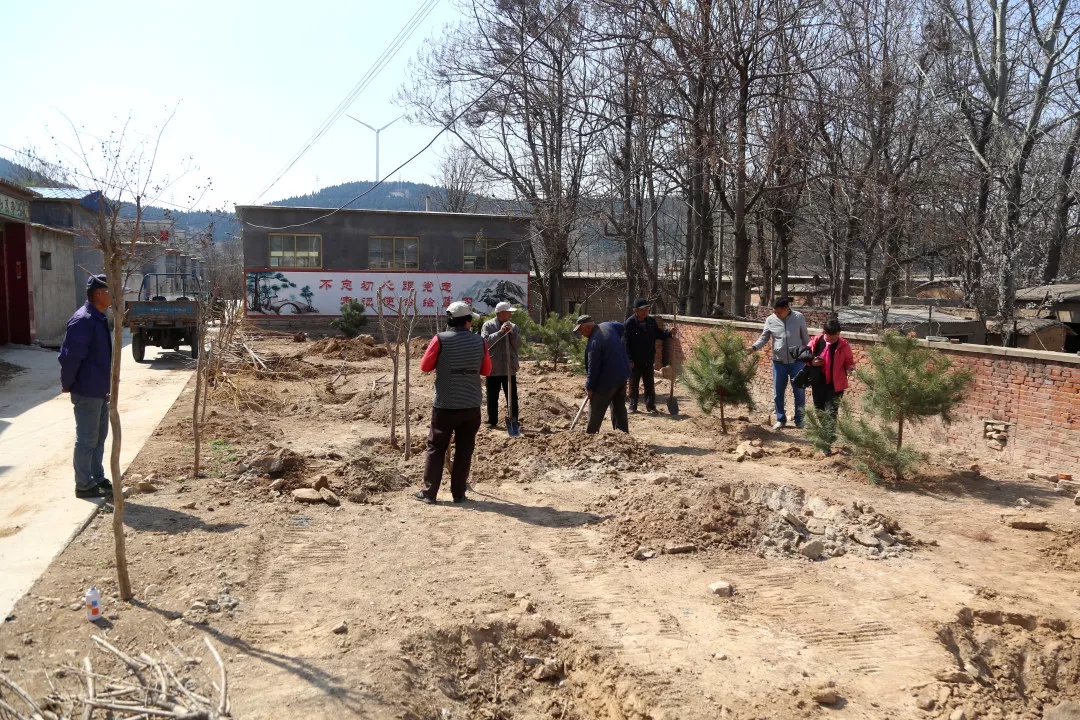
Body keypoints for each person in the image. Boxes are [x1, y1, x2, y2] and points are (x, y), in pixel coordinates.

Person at [415, 302, 492, 504]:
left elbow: (425, 367)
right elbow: (486, 370)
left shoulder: (440, 339)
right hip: (471, 404)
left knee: (436, 448)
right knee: (465, 450)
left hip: (445, 404)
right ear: (468, 321)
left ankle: (429, 493)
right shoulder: (480, 342)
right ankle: (459, 494)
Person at [59, 275, 115, 499]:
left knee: (99, 437)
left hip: (101, 389)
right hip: (87, 389)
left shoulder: (99, 318)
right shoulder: (83, 320)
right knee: (87, 438)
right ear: (98, 293)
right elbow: (70, 357)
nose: (114, 295)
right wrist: (67, 383)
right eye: (111, 291)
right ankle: (83, 485)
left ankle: (97, 477)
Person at [749, 296, 810, 430]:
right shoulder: (770, 320)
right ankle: (780, 419)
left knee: (799, 391)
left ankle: (800, 420)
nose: (776, 314)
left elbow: (806, 338)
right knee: (778, 393)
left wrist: (810, 356)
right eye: (774, 311)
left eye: (779, 312)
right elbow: (764, 337)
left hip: (797, 362)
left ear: (787, 309)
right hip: (778, 363)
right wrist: (754, 347)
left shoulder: (799, 317)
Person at [573, 315, 632, 434]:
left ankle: (590, 435)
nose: (581, 334)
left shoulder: (594, 342)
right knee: (619, 406)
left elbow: (593, 368)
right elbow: (622, 328)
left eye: (581, 331)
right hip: (622, 375)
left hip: (607, 380)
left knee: (596, 408)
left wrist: (590, 387)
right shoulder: (608, 325)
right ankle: (622, 435)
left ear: (587, 328)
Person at [808, 318, 855, 453]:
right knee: (820, 410)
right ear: (824, 332)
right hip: (819, 383)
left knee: (830, 412)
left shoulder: (843, 344)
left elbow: (849, 361)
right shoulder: (816, 341)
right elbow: (805, 355)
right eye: (831, 336)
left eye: (836, 335)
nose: (834, 338)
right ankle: (830, 434)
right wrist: (812, 362)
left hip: (836, 385)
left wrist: (852, 369)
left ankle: (826, 442)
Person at [623, 298, 674, 414]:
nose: (646, 312)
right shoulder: (629, 323)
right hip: (634, 360)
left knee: (649, 384)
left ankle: (650, 406)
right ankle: (633, 406)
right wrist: (629, 359)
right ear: (635, 310)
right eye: (643, 310)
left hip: (648, 358)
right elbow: (625, 343)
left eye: (647, 309)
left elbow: (659, 334)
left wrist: (669, 333)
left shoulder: (651, 322)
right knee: (633, 384)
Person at [480, 301, 522, 429]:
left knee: (512, 396)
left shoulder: (513, 326)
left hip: (509, 367)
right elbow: (485, 343)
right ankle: (492, 420)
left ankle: (514, 419)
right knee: (492, 395)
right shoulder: (488, 325)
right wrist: (499, 332)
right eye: (508, 312)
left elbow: (518, 345)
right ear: (501, 313)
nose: (510, 314)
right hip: (494, 367)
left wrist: (512, 334)